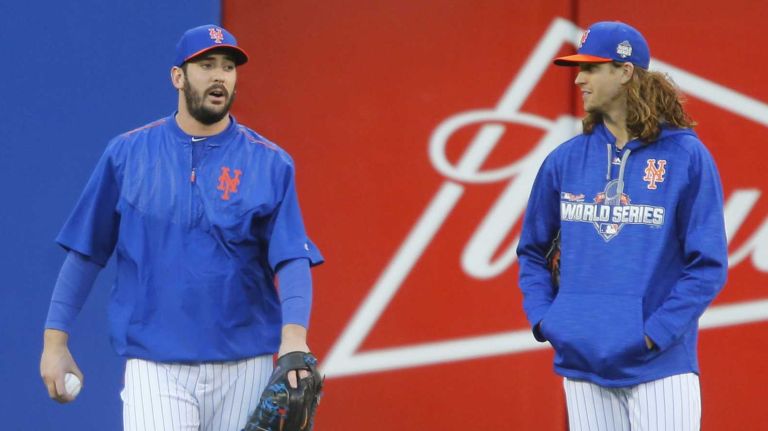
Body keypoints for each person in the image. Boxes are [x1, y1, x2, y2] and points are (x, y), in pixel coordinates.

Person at [39, 24, 323, 430]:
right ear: (178, 76)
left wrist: (294, 340)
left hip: (244, 364)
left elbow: (292, 256)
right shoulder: (127, 154)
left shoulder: (270, 163)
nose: (219, 76)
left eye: (228, 67)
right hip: (156, 366)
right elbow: (86, 251)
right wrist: (55, 342)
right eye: (206, 65)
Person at [516, 21, 727, 430]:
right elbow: (532, 251)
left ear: (626, 71)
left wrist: (654, 334)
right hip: (582, 366)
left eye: (592, 68)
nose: (579, 79)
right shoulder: (565, 160)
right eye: (578, 69)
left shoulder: (686, 157)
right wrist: (548, 319)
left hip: (659, 366)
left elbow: (707, 265)